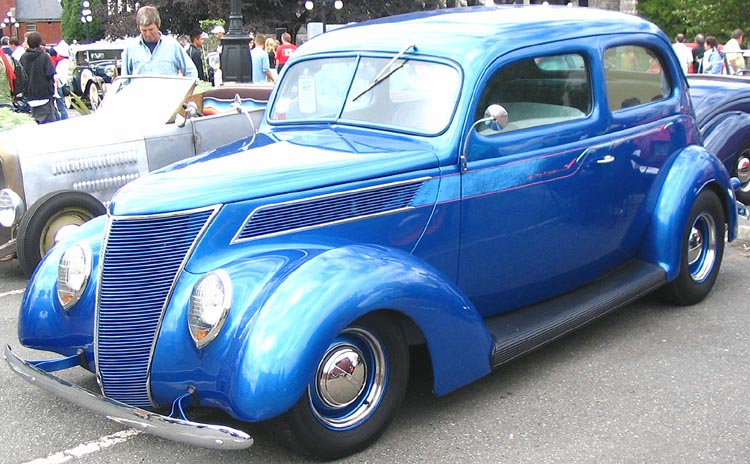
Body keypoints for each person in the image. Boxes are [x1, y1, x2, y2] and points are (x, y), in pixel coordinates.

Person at [121, 6, 198, 78]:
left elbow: (191, 71)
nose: (148, 34)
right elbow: (124, 79)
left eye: (151, 30)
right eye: (144, 30)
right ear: (139, 28)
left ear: (158, 25)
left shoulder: (172, 46)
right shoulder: (130, 49)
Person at [19, 32, 56, 124]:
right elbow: (50, 74)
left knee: (35, 122)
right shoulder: (44, 57)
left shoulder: (23, 58)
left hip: (30, 95)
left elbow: (20, 76)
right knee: (49, 124)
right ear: (40, 42)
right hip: (44, 95)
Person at [53, 41, 70, 120]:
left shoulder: (62, 62)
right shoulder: (63, 61)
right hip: (60, 84)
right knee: (60, 106)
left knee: (60, 107)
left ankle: (63, 120)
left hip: (59, 85)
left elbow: (58, 74)